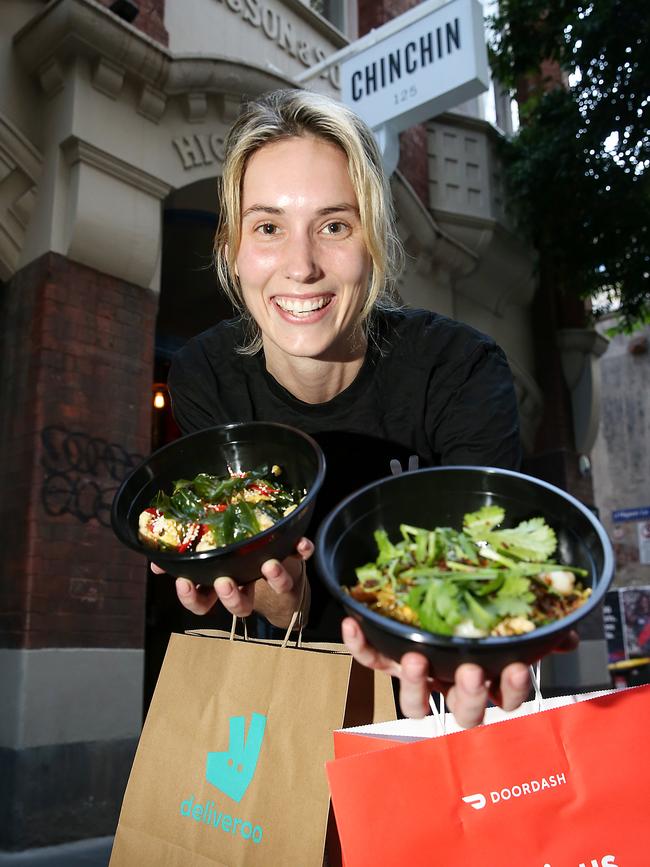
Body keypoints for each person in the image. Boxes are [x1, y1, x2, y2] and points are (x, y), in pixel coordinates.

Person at [158, 88, 572, 728]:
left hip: (434, 709)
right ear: (233, 251)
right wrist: (271, 596)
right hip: (295, 714)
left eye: (334, 226)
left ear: (373, 243)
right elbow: (273, 599)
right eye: (268, 227)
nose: (301, 266)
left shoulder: (458, 371)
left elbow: (489, 576)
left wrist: (468, 660)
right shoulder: (205, 376)